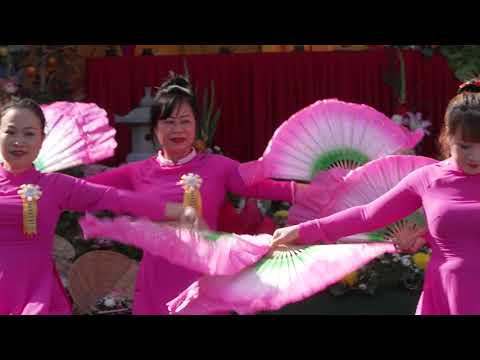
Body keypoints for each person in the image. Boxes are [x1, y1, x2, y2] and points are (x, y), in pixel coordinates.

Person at [86, 72, 303, 315]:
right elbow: (79, 189)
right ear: (155, 128)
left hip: (203, 282)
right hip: (155, 283)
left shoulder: (219, 167)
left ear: (197, 126)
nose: (177, 129)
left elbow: (265, 186)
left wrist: (317, 190)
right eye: (169, 121)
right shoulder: (136, 172)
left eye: (185, 121)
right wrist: (39, 180)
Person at [271, 87, 480, 315]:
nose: (475, 157)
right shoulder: (427, 178)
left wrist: (426, 236)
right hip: (448, 292)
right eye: (465, 146)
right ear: (448, 138)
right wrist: (304, 231)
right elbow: (367, 215)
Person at [0, 98, 185, 315]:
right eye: (10, 132)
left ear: (42, 140)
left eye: (29, 133)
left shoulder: (55, 185)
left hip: (36, 294)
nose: (18, 141)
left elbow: (113, 198)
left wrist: (170, 210)